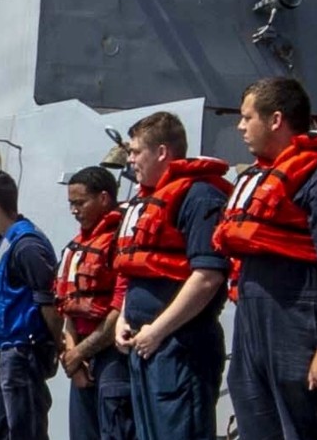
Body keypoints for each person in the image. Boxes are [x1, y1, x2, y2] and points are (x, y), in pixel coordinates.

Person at [214, 75, 317, 440]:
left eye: (247, 117)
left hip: (301, 329)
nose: (240, 126)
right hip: (255, 332)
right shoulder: (261, 177)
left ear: (275, 119)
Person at [112, 110, 233, 440]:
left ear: (162, 152)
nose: (131, 159)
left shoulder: (199, 197)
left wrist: (157, 331)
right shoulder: (148, 202)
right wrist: (124, 318)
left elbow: (208, 275)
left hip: (181, 346)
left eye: (136, 152)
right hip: (146, 344)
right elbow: (136, 271)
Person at [0, 171, 62, 440]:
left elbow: (49, 302)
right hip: (2, 354)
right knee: (1, 430)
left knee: (26, 430)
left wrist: (61, 346)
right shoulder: (5, 241)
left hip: (22, 355)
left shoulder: (27, 246)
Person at [56, 166, 133, 440]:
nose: (74, 211)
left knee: (115, 430)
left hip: (112, 357)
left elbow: (120, 306)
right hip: (80, 357)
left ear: (103, 198)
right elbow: (66, 308)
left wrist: (78, 355)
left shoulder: (119, 243)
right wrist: (73, 358)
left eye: (80, 203)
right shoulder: (75, 247)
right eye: (71, 204)